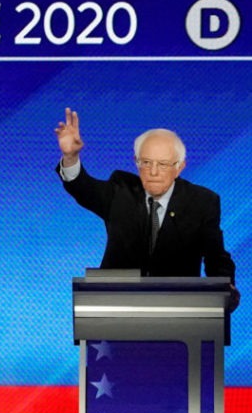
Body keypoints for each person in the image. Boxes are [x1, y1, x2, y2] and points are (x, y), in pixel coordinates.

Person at [54, 107, 238, 309]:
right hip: (114, 308)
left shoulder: (202, 202)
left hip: (178, 312)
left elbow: (216, 256)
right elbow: (83, 188)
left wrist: (225, 288)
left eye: (163, 164)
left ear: (180, 167)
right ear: (136, 162)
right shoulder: (120, 191)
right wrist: (70, 158)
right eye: (146, 162)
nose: (154, 172)